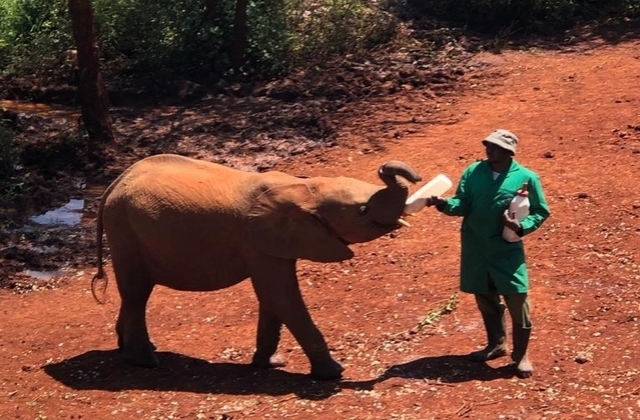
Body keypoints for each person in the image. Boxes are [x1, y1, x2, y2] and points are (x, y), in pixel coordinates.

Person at [425, 129, 550, 378]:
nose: (488, 150)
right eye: (487, 145)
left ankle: (520, 354)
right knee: (485, 297)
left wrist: (521, 226)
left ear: (508, 152)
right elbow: (463, 203)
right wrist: (444, 204)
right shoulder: (473, 172)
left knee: (517, 299)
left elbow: (540, 210)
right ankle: (497, 345)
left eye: (494, 147)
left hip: (506, 250)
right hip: (476, 247)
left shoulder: (526, 177)